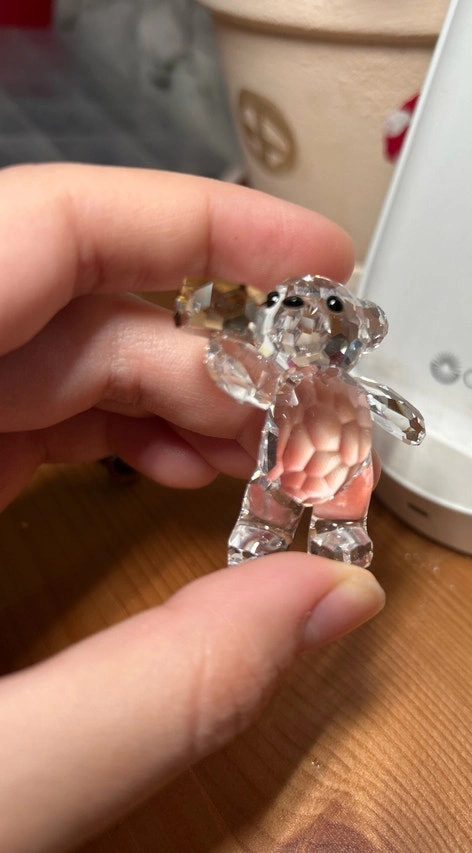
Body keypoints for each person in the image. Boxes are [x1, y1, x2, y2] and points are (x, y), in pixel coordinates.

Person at [0, 163, 386, 852]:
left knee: (339, 509)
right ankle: (264, 549)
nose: (311, 323)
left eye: (329, 313)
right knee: (270, 501)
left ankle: (333, 540)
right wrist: (214, 314)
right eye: (295, 311)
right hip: (283, 464)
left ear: (360, 328)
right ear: (275, 317)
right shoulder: (272, 363)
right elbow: (230, 350)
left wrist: (397, 415)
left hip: (341, 472)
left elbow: (363, 396)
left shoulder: (342, 383)